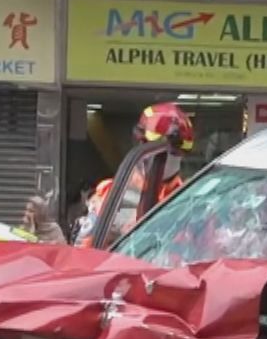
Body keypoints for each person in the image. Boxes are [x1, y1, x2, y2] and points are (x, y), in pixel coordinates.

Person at [75, 103, 194, 248]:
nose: (170, 158)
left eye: (176, 153)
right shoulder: (114, 193)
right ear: (141, 143)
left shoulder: (190, 199)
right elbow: (85, 249)